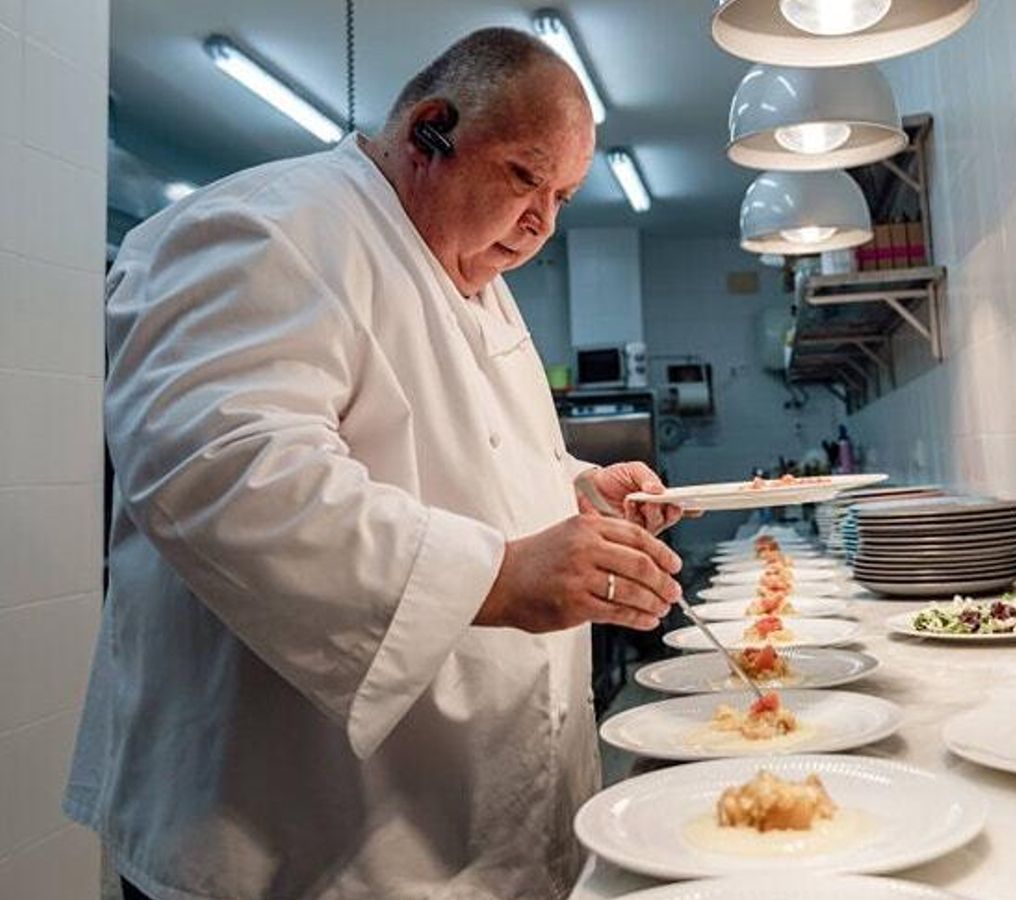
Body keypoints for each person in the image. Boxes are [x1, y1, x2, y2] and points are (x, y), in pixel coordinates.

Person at [64, 28, 683, 900]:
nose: (542, 220)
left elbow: (466, 463)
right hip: (299, 840)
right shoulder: (270, 228)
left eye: (565, 197)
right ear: (431, 129)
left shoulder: (470, 277)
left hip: (466, 830)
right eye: (524, 177)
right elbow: (228, 476)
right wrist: (498, 578)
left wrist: (577, 489)